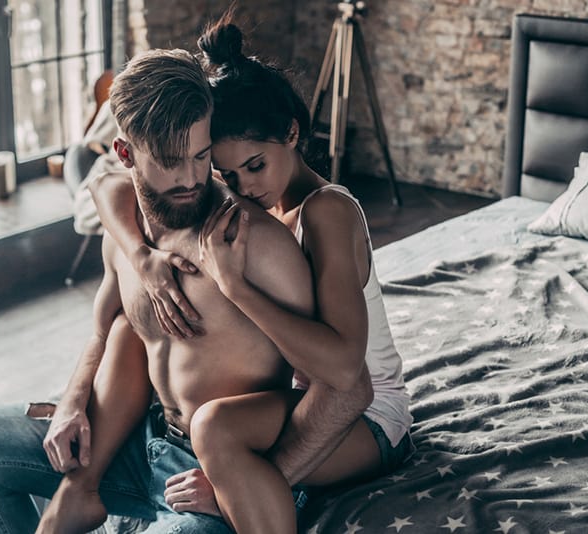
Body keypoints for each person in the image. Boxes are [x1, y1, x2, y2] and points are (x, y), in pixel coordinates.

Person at [0, 47, 315, 534]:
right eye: (170, 162)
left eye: (200, 155)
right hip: (133, 442)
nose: (191, 178)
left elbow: (319, 384)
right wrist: (72, 400)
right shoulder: (126, 233)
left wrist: (270, 475)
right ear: (126, 153)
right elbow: (106, 327)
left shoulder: (253, 243)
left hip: (212, 475)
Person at [88, 18, 414, 534]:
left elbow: (347, 370)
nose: (243, 185)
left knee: (216, 428)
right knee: (210, 422)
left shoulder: (326, 210)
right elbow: (111, 187)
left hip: (369, 418)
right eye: (226, 172)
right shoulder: (261, 213)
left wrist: (234, 286)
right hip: (305, 400)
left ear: (291, 132)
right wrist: (139, 254)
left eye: (255, 165)